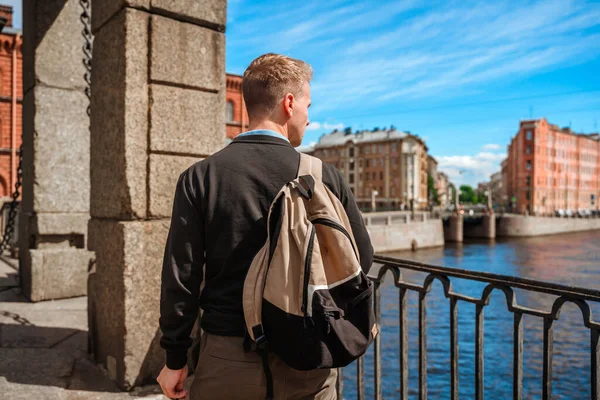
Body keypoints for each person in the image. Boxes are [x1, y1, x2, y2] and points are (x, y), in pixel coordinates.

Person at [157, 53, 374, 400]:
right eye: (307, 104)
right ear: (289, 103)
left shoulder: (200, 177)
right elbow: (360, 260)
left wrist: (175, 358)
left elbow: (180, 278)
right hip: (308, 356)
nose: (308, 116)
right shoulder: (324, 176)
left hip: (226, 359)